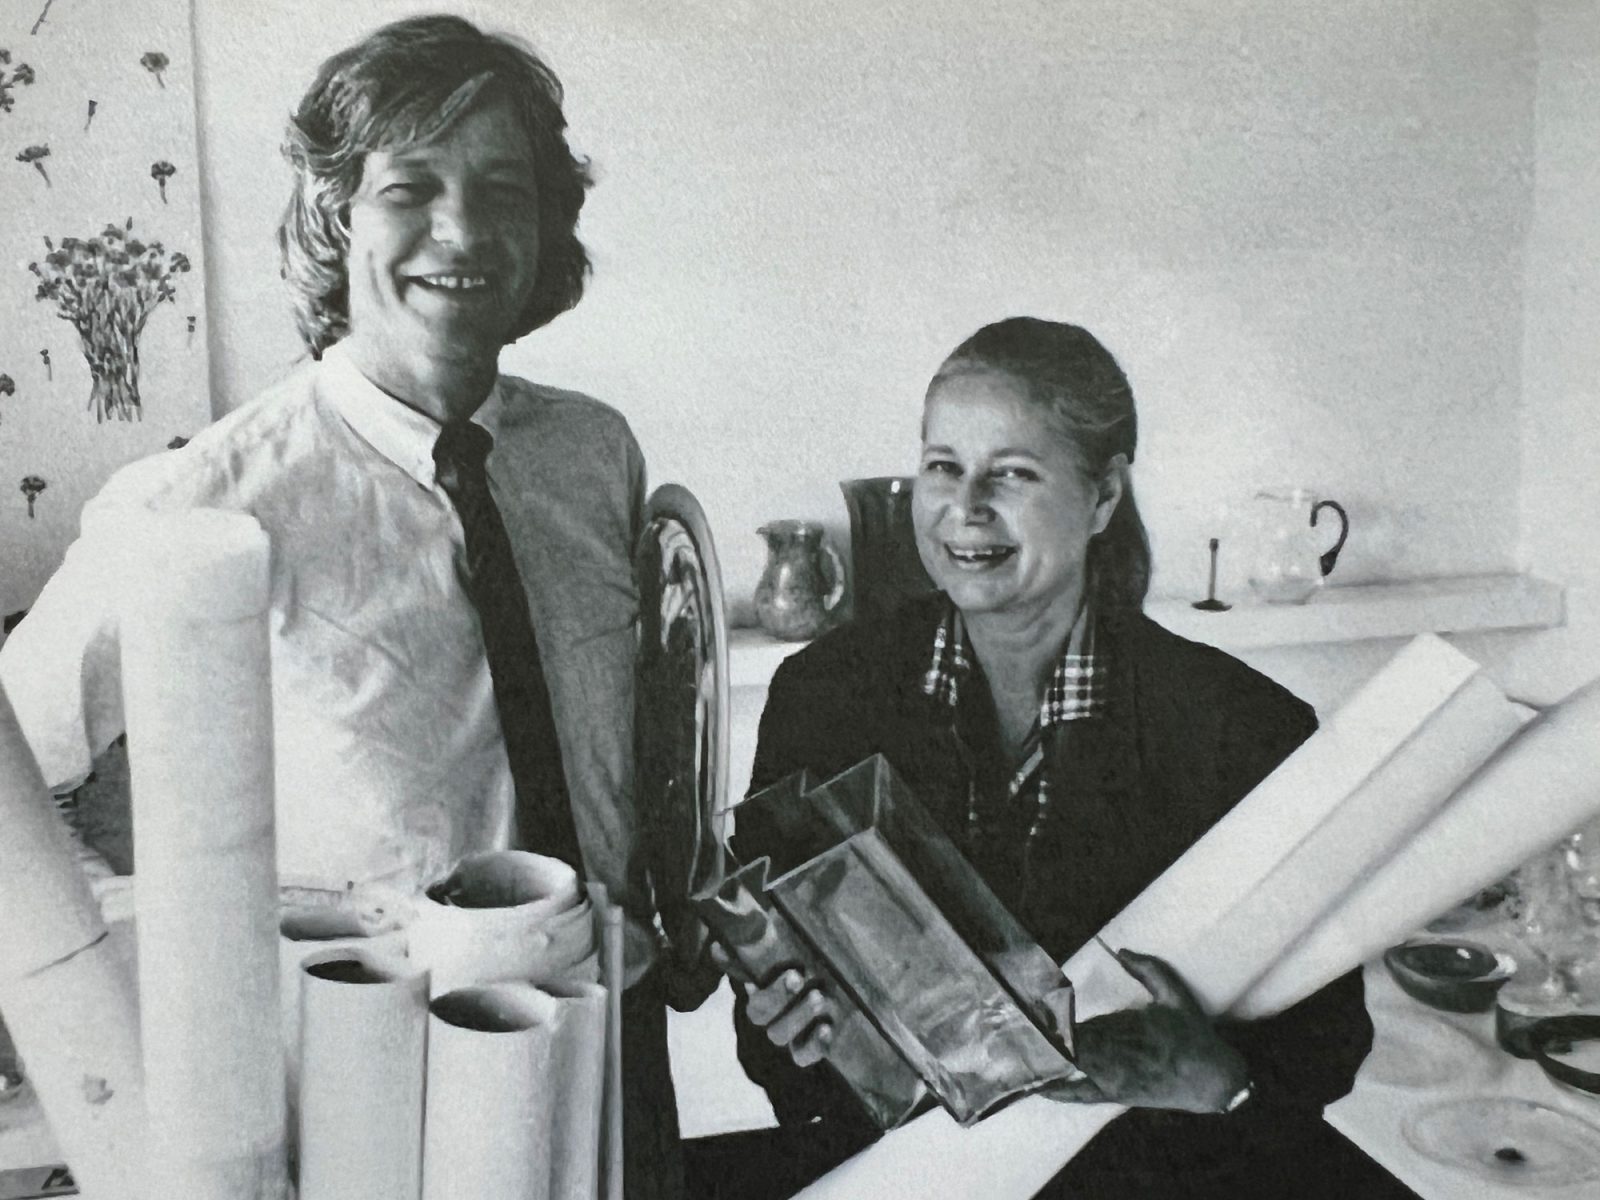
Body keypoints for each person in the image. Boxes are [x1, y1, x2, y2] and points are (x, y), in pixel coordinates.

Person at [0, 16, 683, 1199]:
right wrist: (171, 970)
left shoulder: (593, 454)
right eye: (409, 188)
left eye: (503, 190)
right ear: (334, 217)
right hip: (376, 1095)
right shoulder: (203, 503)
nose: (463, 233)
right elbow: (17, 768)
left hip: (618, 1058)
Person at [705, 318, 1416, 1199]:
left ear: (1104, 497)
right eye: (942, 465)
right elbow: (777, 1041)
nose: (964, 506)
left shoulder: (1243, 731)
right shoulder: (825, 696)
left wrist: (1210, 1081)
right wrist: (789, 1030)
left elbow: (1324, 1056)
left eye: (1012, 472)